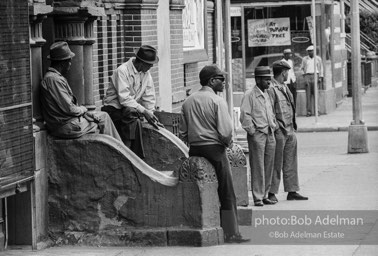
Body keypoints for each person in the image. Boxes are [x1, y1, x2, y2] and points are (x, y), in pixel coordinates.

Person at [179, 64, 249, 243]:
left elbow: (183, 132)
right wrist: (228, 143)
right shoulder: (217, 101)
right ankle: (232, 232)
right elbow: (225, 132)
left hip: (195, 148)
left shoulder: (187, 101)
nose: (224, 83)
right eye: (221, 79)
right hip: (215, 149)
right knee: (227, 190)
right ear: (211, 81)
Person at [40, 41, 121, 141]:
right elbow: (70, 109)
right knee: (103, 118)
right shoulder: (53, 79)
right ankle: (118, 150)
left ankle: (119, 148)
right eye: (69, 61)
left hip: (67, 122)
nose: (70, 65)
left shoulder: (55, 78)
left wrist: (85, 114)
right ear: (62, 63)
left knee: (100, 116)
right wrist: (83, 109)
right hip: (65, 126)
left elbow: (68, 106)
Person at [102, 45, 162, 158]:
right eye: (150, 64)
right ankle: (129, 153)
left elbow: (149, 98)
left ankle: (134, 156)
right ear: (141, 63)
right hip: (114, 109)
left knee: (134, 117)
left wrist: (151, 115)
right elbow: (124, 99)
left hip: (130, 109)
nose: (151, 66)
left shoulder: (146, 75)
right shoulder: (122, 71)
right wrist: (144, 112)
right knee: (132, 115)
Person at [267, 60, 308, 202]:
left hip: (290, 129)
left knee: (291, 162)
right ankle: (271, 192)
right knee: (276, 163)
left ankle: (292, 190)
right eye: (287, 72)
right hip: (280, 131)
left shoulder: (284, 87)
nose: (287, 74)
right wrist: (277, 128)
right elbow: (270, 111)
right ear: (283, 72)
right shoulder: (271, 89)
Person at [239, 66, 277, 207]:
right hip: (258, 134)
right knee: (258, 166)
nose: (269, 82)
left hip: (270, 133)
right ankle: (258, 197)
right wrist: (253, 132)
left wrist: (273, 124)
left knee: (268, 165)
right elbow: (245, 115)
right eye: (266, 80)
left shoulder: (267, 94)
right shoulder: (249, 95)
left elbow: (270, 112)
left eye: (270, 79)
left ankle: (265, 194)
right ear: (258, 79)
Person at [301, 45, 324, 117]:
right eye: (309, 51)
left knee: (316, 95)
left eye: (311, 51)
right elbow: (301, 68)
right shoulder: (305, 59)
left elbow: (321, 68)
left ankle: (317, 111)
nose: (310, 52)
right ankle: (309, 111)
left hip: (315, 75)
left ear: (314, 51)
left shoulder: (318, 59)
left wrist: (320, 77)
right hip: (307, 76)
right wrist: (304, 76)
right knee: (308, 95)